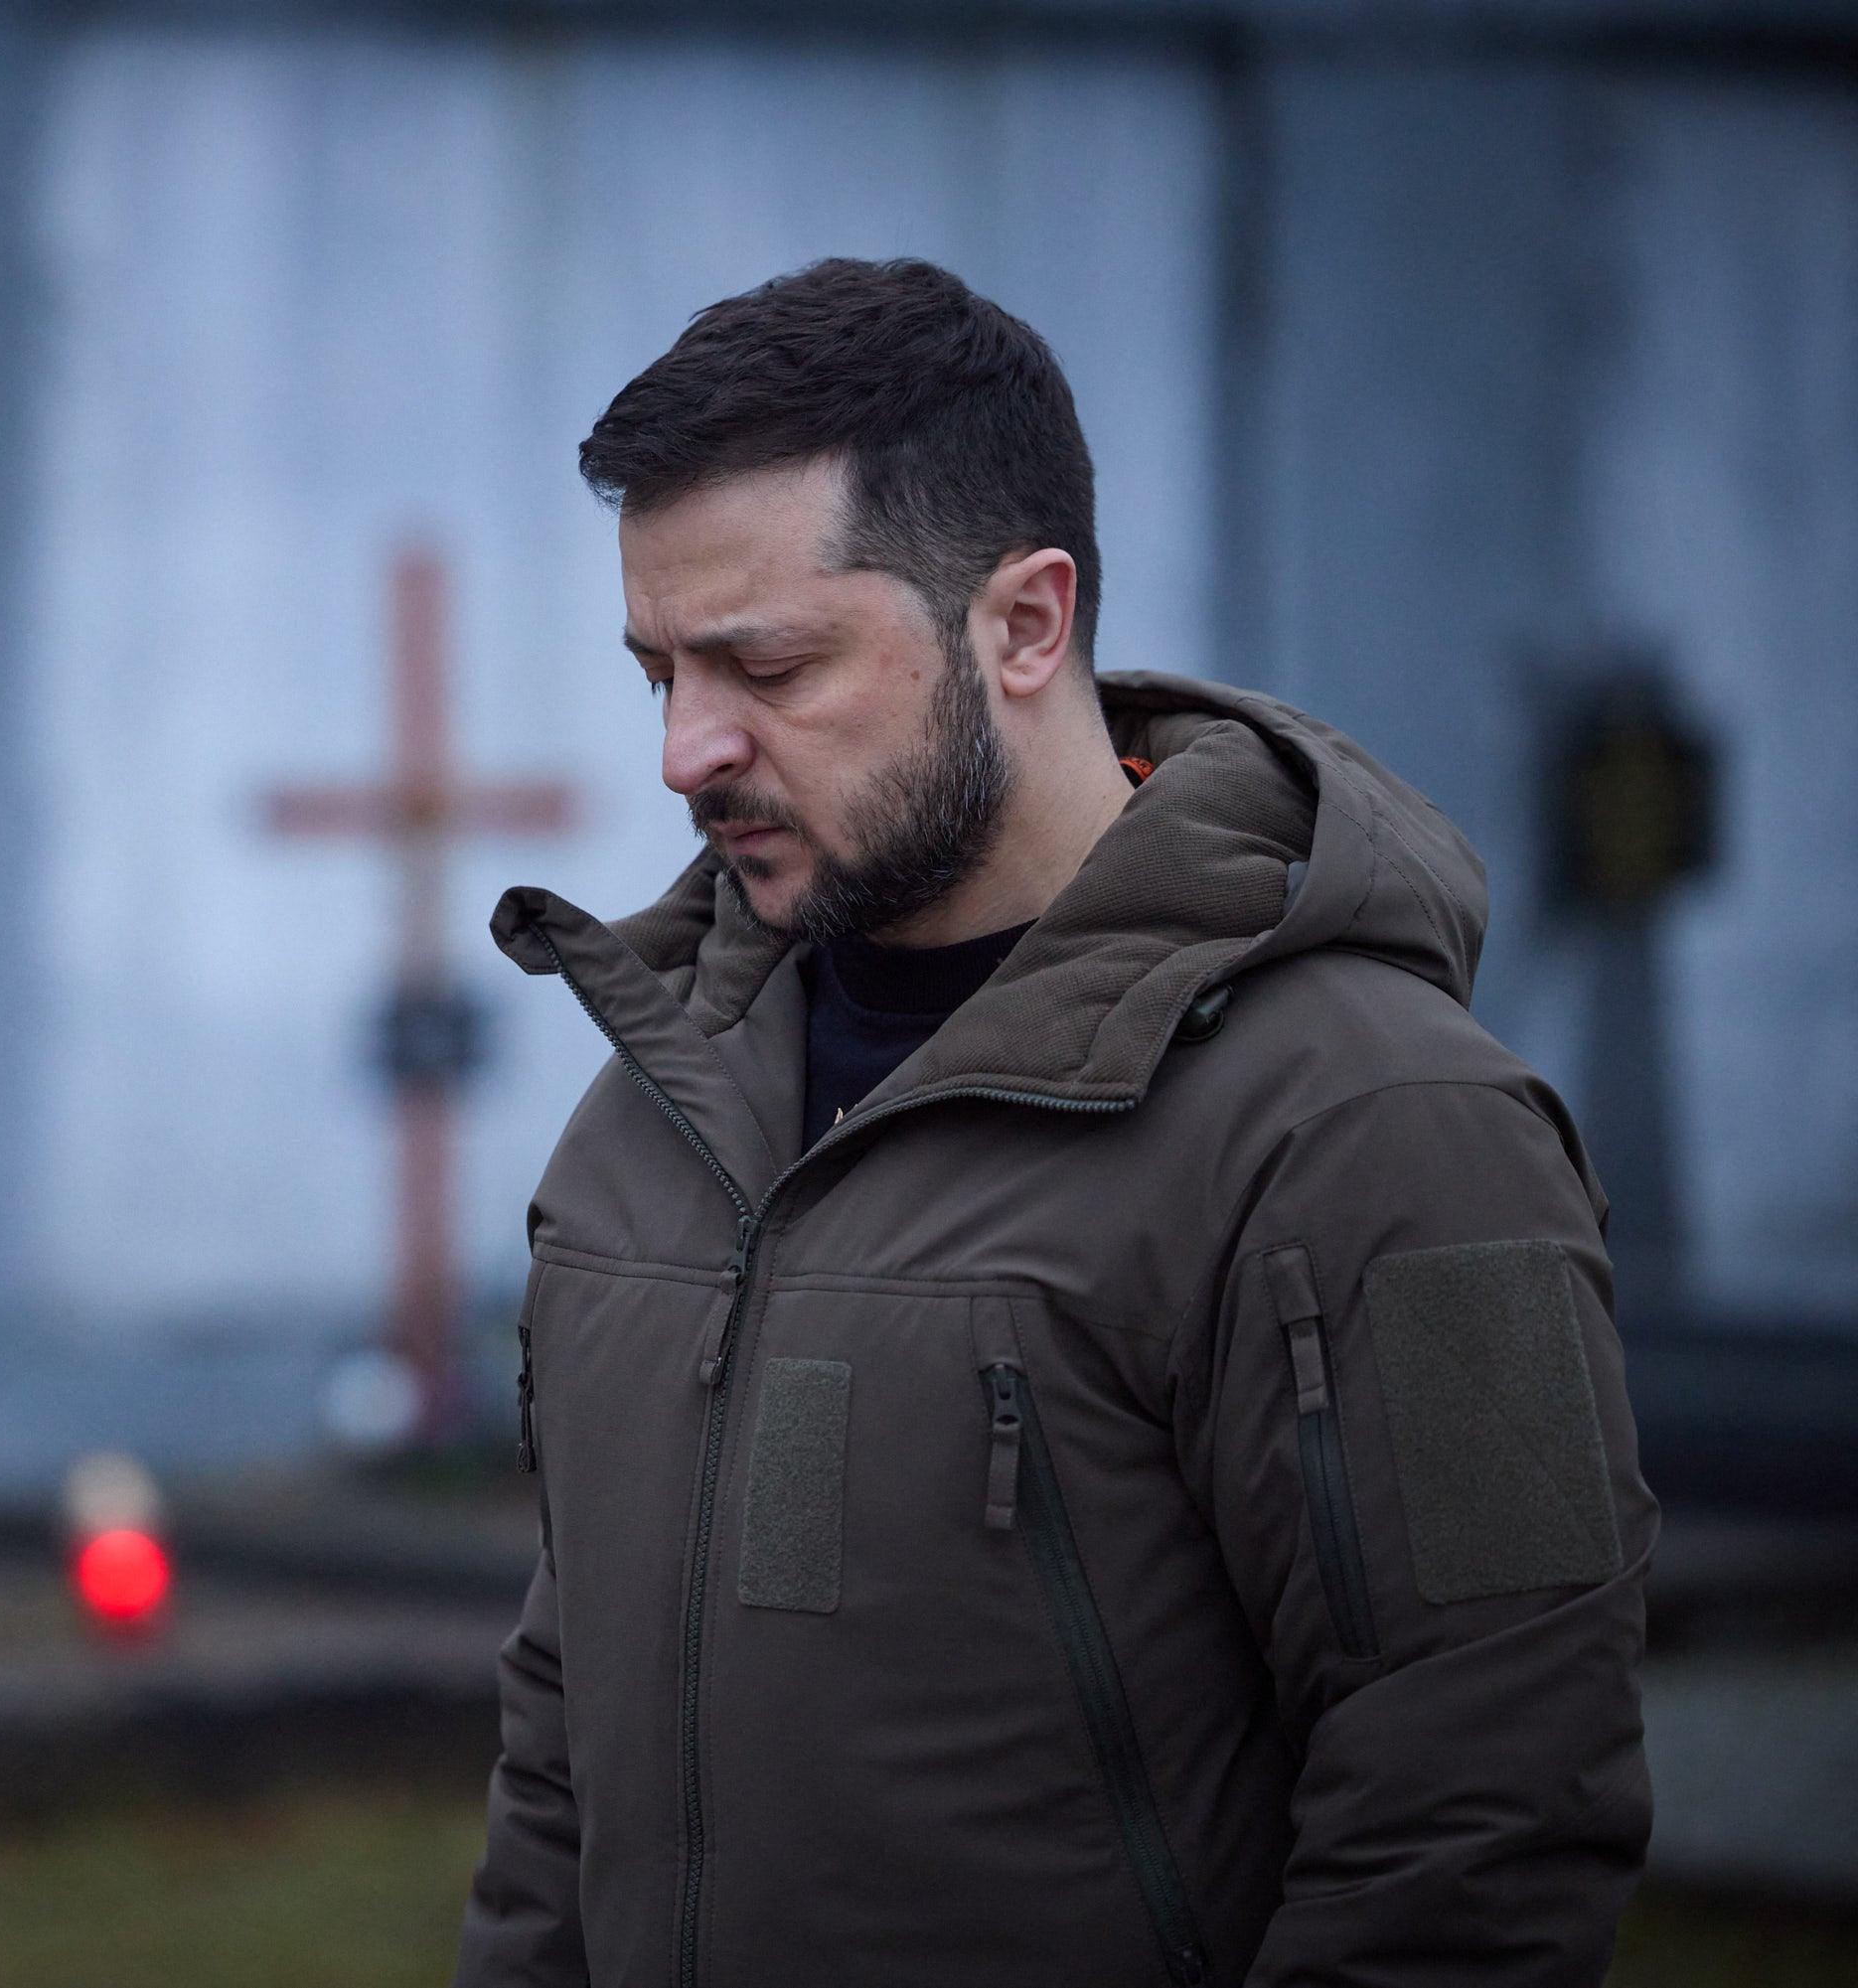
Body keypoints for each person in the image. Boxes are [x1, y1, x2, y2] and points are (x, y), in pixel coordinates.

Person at [457, 258, 1654, 1988]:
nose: (683, 751)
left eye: (766, 664)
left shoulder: (1387, 1134)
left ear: (1024, 623)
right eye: (659, 671)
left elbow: (1486, 1827)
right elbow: (569, 1751)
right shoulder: (654, 1116)